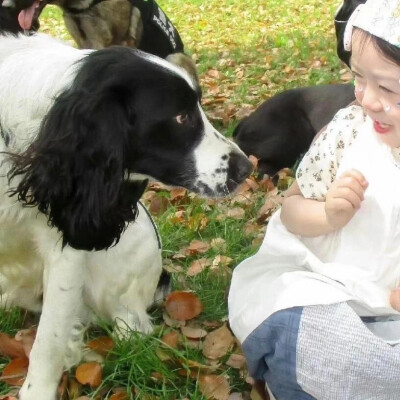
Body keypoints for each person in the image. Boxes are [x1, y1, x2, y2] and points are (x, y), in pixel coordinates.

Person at [228, 0, 400, 399]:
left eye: (388, 88)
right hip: (323, 286)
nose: (366, 99)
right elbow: (291, 209)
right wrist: (327, 214)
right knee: (320, 341)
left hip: (387, 312)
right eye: (358, 78)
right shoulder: (349, 133)